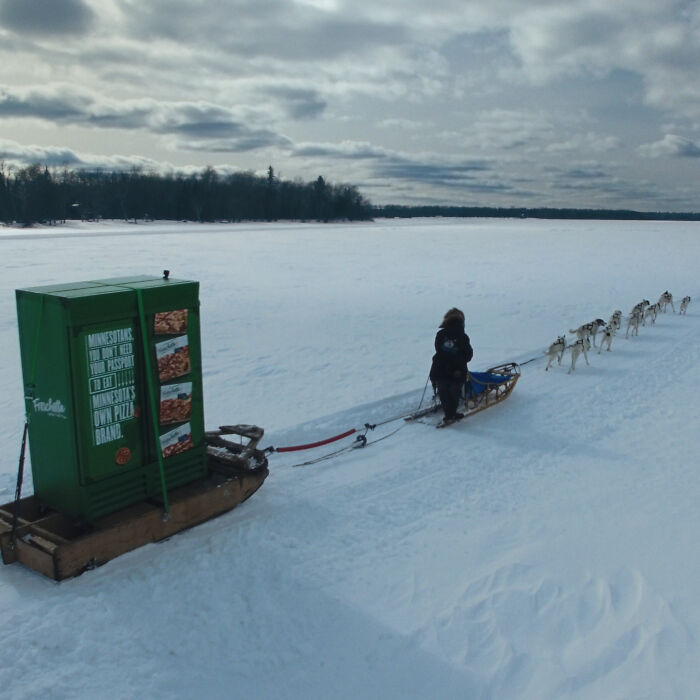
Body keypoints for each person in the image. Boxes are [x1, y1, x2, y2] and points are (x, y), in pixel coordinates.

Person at [429, 308, 473, 423]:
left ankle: (448, 411)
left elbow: (438, 348)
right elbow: (468, 355)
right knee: (454, 392)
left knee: (443, 390)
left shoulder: (440, 334)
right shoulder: (463, 336)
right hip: (456, 370)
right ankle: (451, 415)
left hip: (439, 368)